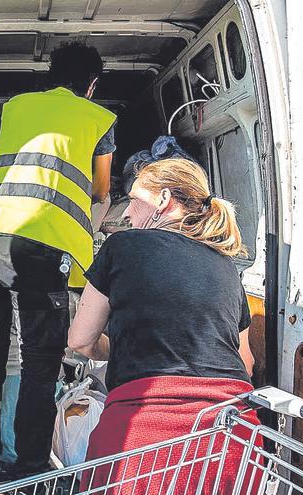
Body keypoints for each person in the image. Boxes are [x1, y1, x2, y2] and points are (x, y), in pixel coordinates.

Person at [0, 42, 117, 494]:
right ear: (91, 85)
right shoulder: (97, 118)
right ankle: (28, 474)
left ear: (51, 75)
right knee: (41, 362)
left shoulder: (16, 107)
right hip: (43, 240)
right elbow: (101, 190)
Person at [67, 158, 259, 494]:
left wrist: (121, 345)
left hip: (145, 439)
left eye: (134, 200)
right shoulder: (227, 267)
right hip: (232, 438)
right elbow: (246, 363)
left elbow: (80, 341)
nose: (127, 214)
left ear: (163, 199)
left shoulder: (122, 246)